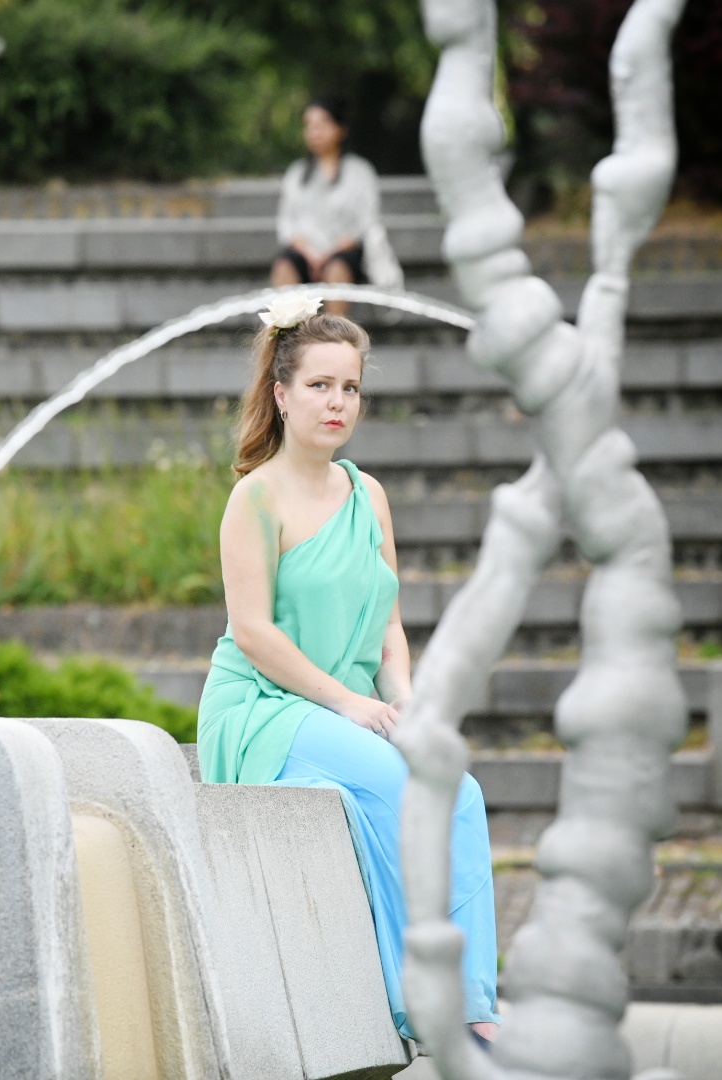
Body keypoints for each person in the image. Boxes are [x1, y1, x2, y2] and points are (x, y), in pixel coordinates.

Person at [197, 299, 501, 1042]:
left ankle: (475, 1007)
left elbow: (388, 621)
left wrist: (406, 703)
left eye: (351, 388)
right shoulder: (256, 497)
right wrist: (349, 704)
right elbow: (252, 631)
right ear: (281, 392)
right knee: (402, 790)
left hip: (339, 709)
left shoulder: (368, 495)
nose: (338, 403)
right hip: (261, 710)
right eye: (320, 386)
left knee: (458, 794)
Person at [272, 98, 383, 317]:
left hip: (344, 252)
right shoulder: (296, 174)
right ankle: (286, 337)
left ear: (340, 129)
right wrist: (309, 253)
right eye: (309, 126)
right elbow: (286, 223)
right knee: (283, 268)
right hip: (304, 252)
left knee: (336, 269)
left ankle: (336, 335)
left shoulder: (360, 172)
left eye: (322, 125)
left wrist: (331, 252)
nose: (314, 132)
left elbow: (366, 222)